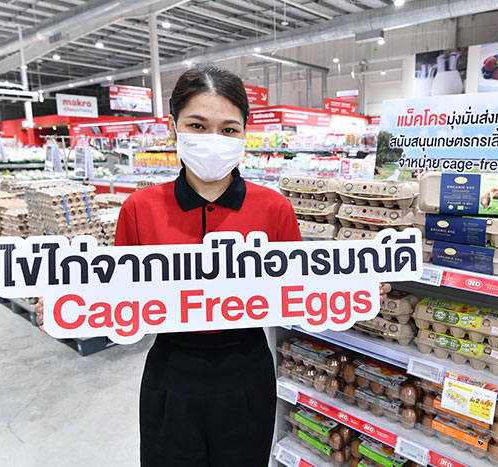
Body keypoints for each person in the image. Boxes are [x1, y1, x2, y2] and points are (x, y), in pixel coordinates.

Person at [35, 65, 392, 466]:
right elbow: (121, 298)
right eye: (197, 126)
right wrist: (73, 308)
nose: (213, 140)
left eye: (228, 129)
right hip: (171, 375)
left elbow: (300, 289)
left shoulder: (273, 208)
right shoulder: (140, 208)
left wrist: (352, 291)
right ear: (174, 128)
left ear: (244, 133)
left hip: (247, 374)